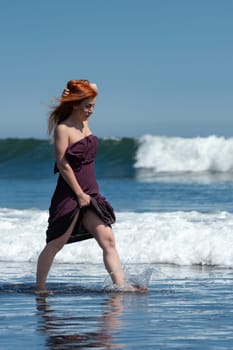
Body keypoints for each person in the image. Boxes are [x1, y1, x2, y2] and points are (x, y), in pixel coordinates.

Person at [35, 79, 143, 294]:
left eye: (93, 106)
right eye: (87, 106)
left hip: (91, 192)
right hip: (71, 193)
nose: (91, 111)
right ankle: (40, 288)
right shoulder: (63, 129)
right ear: (75, 104)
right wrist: (79, 193)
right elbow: (62, 164)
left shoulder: (84, 123)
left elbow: (93, 85)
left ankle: (120, 286)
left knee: (108, 240)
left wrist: (70, 92)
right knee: (57, 242)